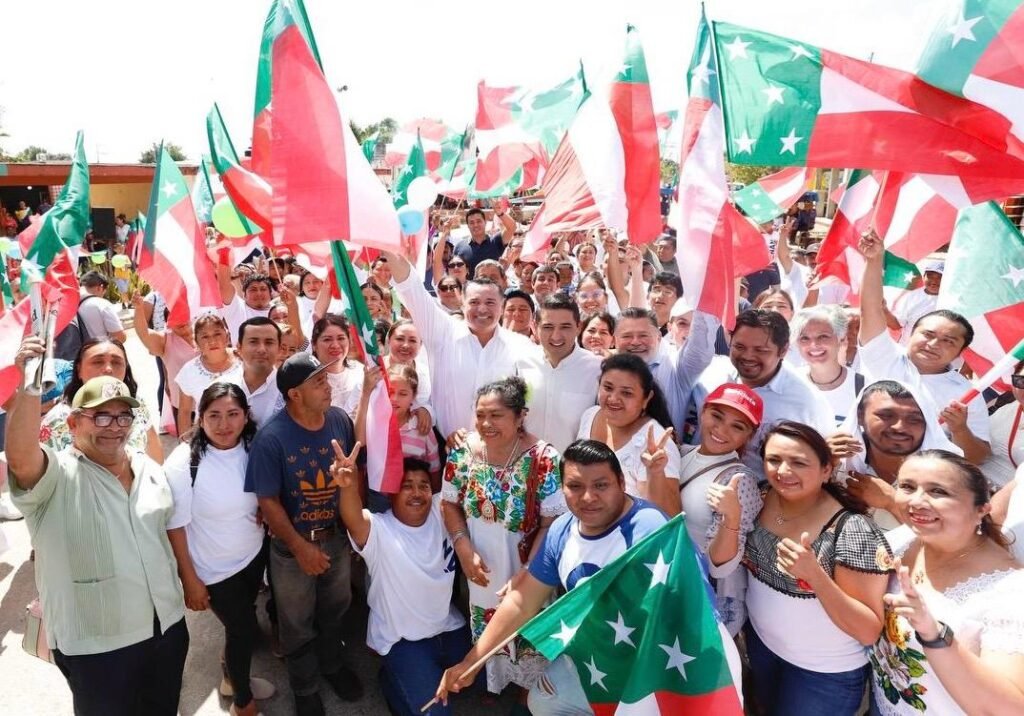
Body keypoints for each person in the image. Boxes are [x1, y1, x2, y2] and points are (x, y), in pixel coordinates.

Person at [6, 359, 187, 715]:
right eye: (101, 417)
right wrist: (30, 383)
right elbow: (21, 459)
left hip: (166, 629)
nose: (114, 427)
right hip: (98, 647)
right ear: (73, 423)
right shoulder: (56, 476)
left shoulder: (146, 467)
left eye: (123, 417)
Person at [435, 440, 668, 712]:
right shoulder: (562, 531)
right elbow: (521, 602)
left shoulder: (652, 529)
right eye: (575, 486)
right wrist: (470, 663)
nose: (588, 497)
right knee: (543, 702)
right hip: (594, 661)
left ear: (621, 482)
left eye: (601, 485)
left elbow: (690, 610)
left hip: (648, 669)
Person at [732, 421, 891, 715]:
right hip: (763, 649)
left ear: (826, 469)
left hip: (823, 675)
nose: (783, 471)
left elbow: (868, 630)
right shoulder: (760, 496)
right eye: (774, 460)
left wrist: (815, 576)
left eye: (799, 462)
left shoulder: (853, 531)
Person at [244, 353, 363, 715]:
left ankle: (332, 665)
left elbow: (350, 477)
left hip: (336, 540)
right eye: (318, 382)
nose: (328, 387)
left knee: (335, 609)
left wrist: (352, 531)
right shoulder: (271, 438)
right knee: (295, 623)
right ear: (294, 394)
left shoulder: (339, 420)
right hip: (292, 548)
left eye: (326, 380)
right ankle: (305, 687)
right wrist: (299, 548)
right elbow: (267, 501)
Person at [869, 450, 1024, 715]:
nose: (916, 501)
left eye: (938, 491)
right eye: (907, 486)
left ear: (981, 509)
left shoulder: (1010, 592)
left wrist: (934, 634)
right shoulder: (901, 540)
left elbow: (1009, 710)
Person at [441, 377, 566, 695]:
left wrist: (528, 572)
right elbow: (449, 503)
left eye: (496, 415)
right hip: (481, 573)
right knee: (488, 634)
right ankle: (496, 685)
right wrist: (463, 546)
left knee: (530, 638)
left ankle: (528, 699)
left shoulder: (544, 459)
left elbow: (551, 524)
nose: (486, 423)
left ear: (520, 416)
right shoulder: (462, 452)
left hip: (530, 572)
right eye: (480, 415)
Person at [164, 383, 275, 716]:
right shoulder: (184, 462)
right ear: (200, 418)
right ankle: (243, 702)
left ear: (246, 416)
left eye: (232, 414)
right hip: (213, 570)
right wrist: (190, 580)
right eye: (214, 415)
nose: (224, 424)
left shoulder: (255, 446)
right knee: (242, 631)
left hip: (253, 556)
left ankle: (231, 674)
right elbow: (175, 526)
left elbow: (267, 489)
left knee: (244, 620)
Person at [337, 455, 470, 716]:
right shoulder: (378, 529)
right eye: (407, 486)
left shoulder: (440, 509)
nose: (417, 493)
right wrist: (348, 486)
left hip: (448, 627)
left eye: (423, 486)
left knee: (480, 679)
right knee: (437, 713)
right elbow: (353, 519)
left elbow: (466, 483)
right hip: (404, 641)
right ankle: (392, 680)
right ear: (391, 494)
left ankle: (413, 678)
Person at [858, 231, 990, 464]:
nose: (933, 344)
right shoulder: (885, 358)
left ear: (960, 352)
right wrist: (874, 260)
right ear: (911, 333)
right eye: (928, 334)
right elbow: (870, 309)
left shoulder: (965, 394)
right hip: (861, 468)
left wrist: (960, 429)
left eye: (948, 341)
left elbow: (978, 457)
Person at [385, 250, 536, 438]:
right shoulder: (442, 331)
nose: (482, 309)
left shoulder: (521, 346)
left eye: (490, 302)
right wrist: (388, 247)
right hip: (448, 447)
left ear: (502, 305)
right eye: (474, 302)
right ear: (462, 303)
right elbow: (411, 288)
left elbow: (531, 401)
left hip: (502, 449)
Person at [689, 309, 835, 477]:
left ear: (783, 350)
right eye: (739, 347)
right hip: (693, 477)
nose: (748, 356)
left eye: (761, 350)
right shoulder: (709, 374)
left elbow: (824, 461)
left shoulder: (809, 403)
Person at [680, 383, 763, 632]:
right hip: (674, 583)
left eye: (737, 426)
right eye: (716, 416)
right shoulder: (682, 453)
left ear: (749, 436)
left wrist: (732, 518)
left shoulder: (739, 480)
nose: (722, 430)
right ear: (703, 412)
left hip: (706, 600)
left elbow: (721, 567)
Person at [830, 380, 962, 530]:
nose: (900, 427)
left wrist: (891, 501)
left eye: (914, 419)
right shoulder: (835, 461)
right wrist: (822, 467)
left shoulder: (949, 473)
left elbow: (951, 534)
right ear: (860, 415)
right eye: (886, 416)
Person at [577, 353, 682, 515]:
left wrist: (655, 473)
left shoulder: (656, 443)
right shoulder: (590, 415)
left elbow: (669, 516)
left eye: (626, 393)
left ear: (646, 398)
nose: (613, 398)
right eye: (608, 388)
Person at [39, 337, 163, 463]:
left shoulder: (136, 404)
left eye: (116, 362)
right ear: (79, 369)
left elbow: (153, 447)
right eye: (98, 362)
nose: (108, 369)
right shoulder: (57, 421)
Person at [521, 294, 602, 452]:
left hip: (573, 465)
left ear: (578, 327)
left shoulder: (597, 369)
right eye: (548, 327)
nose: (556, 336)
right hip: (524, 463)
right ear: (535, 327)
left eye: (565, 327)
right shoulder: (520, 363)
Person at [131, 293, 198, 431]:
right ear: (168, 322)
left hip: (209, 400)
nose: (181, 322)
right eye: (175, 318)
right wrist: (138, 309)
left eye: (184, 316)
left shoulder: (203, 333)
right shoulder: (165, 340)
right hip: (182, 406)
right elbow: (144, 333)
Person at [791, 304, 864, 424]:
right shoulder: (788, 383)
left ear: (841, 339)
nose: (814, 345)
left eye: (823, 336)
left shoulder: (863, 388)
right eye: (805, 338)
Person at [175, 314, 241, 437]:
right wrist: (186, 443)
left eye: (217, 334)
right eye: (205, 336)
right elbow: (184, 411)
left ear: (227, 336)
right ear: (196, 342)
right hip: (206, 437)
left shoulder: (243, 360)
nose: (212, 341)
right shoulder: (189, 370)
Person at [230, 317, 283, 427]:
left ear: (279, 349)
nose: (261, 349)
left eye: (269, 342)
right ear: (239, 347)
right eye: (253, 342)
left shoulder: (290, 392)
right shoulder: (222, 385)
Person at [981, 360, 1024, 488]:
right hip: (970, 481)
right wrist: (960, 428)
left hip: (1008, 495)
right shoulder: (1003, 401)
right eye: (1022, 381)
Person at [887, 260, 944, 345]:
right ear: (924, 277)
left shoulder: (952, 300)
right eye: (930, 276)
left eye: (939, 277)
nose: (934, 281)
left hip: (936, 350)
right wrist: (883, 309)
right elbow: (896, 325)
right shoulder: (911, 297)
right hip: (907, 348)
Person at [448, 207, 516, 277]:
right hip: (470, 284)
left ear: (485, 222)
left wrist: (500, 213)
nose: (475, 225)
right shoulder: (460, 247)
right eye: (471, 222)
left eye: (478, 221)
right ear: (468, 225)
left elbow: (512, 227)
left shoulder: (496, 241)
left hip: (493, 283)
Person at [219, 270, 274, 345]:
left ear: (270, 294)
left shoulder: (280, 311)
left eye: (263, 289)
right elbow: (224, 285)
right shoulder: (237, 308)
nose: (259, 293)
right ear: (244, 294)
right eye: (253, 290)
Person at [77, 271, 127, 343]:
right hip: (100, 348)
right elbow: (120, 337)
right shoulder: (101, 304)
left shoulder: (69, 304)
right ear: (100, 288)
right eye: (104, 293)